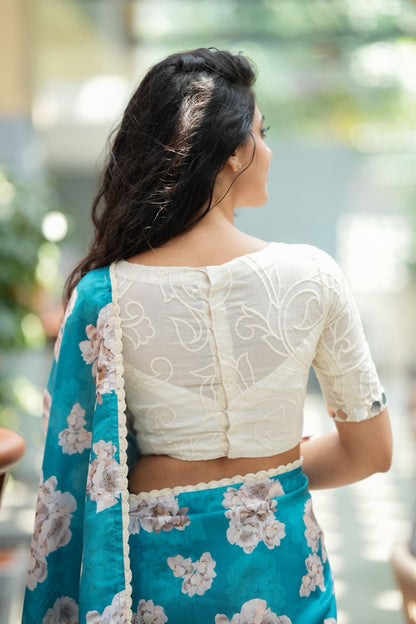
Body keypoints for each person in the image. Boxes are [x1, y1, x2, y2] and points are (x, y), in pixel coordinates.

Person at [22, 48, 392, 624]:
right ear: (234, 150)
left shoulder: (103, 294)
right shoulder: (314, 276)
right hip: (282, 570)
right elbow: (370, 452)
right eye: (262, 134)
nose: (269, 151)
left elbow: (76, 468)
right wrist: (268, 474)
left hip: (155, 574)